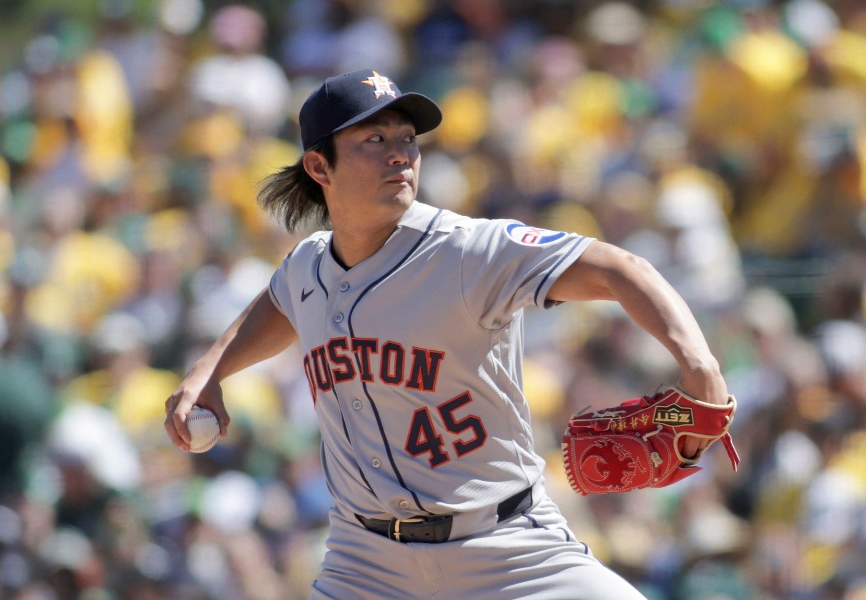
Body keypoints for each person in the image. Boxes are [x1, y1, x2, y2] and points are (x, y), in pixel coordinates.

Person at [165, 68, 732, 599]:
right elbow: (283, 300)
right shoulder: (308, 265)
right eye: (375, 141)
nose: (400, 156)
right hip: (365, 563)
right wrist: (209, 372)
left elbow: (620, 269)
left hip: (509, 549)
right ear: (320, 168)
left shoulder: (468, 251)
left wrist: (699, 365)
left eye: (407, 139)